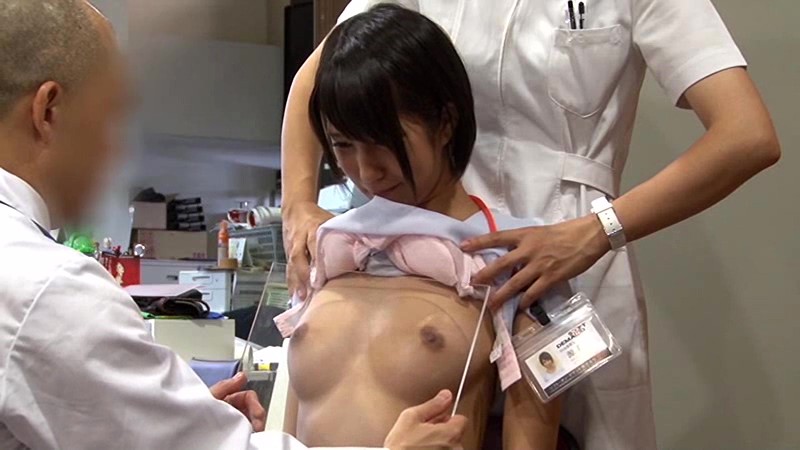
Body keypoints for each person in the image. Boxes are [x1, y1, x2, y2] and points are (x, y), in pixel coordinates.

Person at [281, 1, 781, 449]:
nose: (362, 167)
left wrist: (596, 231)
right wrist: (298, 206)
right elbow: (326, 75)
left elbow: (746, 135)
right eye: (344, 147)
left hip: (565, 261)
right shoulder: (351, 244)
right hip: (434, 236)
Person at [0, 1, 466, 449]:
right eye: (108, 118)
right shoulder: (45, 290)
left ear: (445, 124)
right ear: (48, 112)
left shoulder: (483, 261)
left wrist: (191, 425)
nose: (115, 149)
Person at [278, 6, 570, 449]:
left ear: (445, 123)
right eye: (343, 145)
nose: (366, 171)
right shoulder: (326, 248)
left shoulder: (519, 262)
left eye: (384, 142)